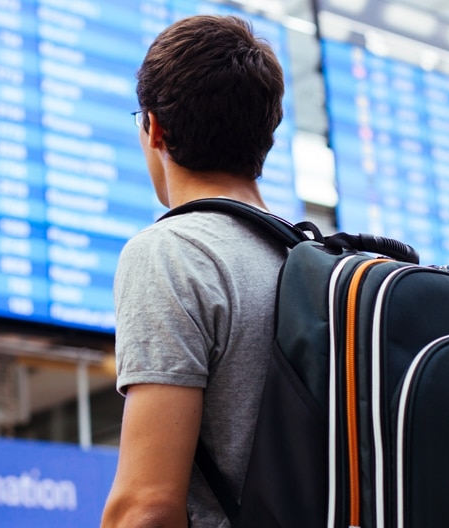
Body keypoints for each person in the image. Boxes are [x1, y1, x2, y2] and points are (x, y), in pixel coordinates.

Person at [100, 14, 287, 528]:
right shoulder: (318, 265)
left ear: (154, 128)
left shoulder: (172, 252)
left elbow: (147, 507)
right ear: (266, 134)